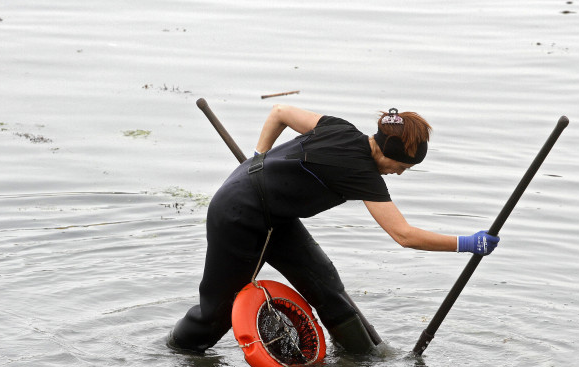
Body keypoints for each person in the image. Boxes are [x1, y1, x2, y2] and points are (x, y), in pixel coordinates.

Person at [169, 105, 500, 354]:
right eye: (399, 168)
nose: (398, 174)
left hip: (275, 215)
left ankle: (366, 356)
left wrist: (259, 156)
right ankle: (174, 352)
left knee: (326, 283)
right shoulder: (360, 172)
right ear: (385, 151)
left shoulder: (339, 128)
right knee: (218, 313)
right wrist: (467, 243)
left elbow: (280, 113)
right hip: (237, 214)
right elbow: (404, 235)